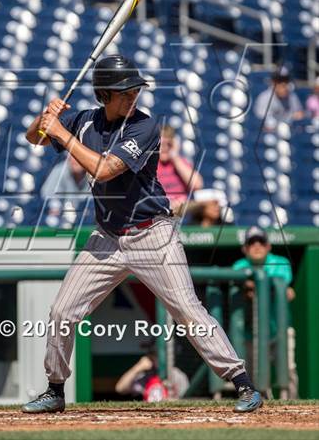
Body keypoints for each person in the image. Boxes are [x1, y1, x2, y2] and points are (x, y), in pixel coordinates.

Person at [23, 54, 263, 414]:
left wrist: (61, 133)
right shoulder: (85, 120)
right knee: (62, 311)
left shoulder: (145, 127)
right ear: (104, 94)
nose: (132, 95)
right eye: (123, 91)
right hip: (106, 237)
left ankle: (243, 383)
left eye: (134, 88)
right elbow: (35, 139)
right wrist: (45, 118)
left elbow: (104, 170)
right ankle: (55, 389)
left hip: (153, 234)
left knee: (186, 309)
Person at [232, 226, 298, 399]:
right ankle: (257, 407)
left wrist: (257, 286)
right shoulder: (239, 264)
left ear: (268, 246)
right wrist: (247, 287)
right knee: (253, 375)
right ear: (244, 249)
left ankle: (293, 405)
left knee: (288, 370)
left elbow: (280, 281)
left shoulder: (280, 262)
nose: (257, 246)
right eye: (251, 242)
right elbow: (238, 275)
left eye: (261, 241)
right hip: (250, 333)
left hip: (279, 330)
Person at [157, 125, 203, 214]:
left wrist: (174, 156)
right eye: (161, 144)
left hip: (181, 211)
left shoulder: (179, 162)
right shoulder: (149, 164)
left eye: (169, 144)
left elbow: (197, 185)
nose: (165, 148)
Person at [40, 153, 91, 228]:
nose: (75, 160)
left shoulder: (94, 174)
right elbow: (49, 198)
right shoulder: (60, 170)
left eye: (79, 157)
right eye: (72, 156)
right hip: (62, 222)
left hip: (86, 222)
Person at [115, 351, 189, 401]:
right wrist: (137, 368)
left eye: (157, 356)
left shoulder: (176, 374)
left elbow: (186, 400)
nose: (155, 359)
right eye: (152, 356)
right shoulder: (146, 376)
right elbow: (120, 389)